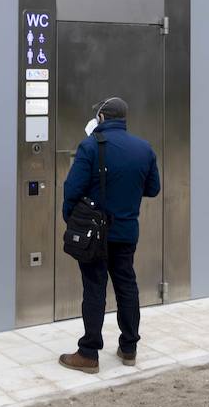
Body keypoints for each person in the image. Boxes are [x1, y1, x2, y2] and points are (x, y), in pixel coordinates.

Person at [58, 96, 160, 374]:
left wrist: (72, 219)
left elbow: (72, 189)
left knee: (94, 288)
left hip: (94, 235)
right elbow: (153, 189)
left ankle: (89, 353)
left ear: (101, 118)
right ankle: (129, 348)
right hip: (127, 231)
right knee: (127, 286)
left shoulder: (91, 146)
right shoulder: (144, 148)